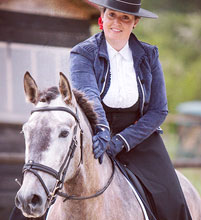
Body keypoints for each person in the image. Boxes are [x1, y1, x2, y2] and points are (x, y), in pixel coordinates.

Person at [70, 0, 192, 219]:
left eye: (125, 17)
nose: (117, 22)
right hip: (94, 133)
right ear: (103, 15)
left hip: (138, 135)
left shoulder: (149, 55)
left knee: (173, 198)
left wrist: (120, 141)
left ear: (135, 22)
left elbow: (158, 110)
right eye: (112, 15)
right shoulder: (83, 53)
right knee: (43, 182)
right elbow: (88, 95)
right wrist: (103, 130)